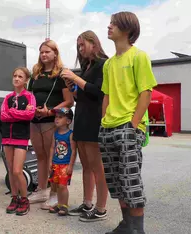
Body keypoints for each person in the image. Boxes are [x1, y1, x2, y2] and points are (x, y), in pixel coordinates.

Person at [99, 11, 157, 234]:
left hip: (128, 127)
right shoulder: (109, 64)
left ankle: (137, 230)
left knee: (130, 181)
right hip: (109, 127)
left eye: (113, 24)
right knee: (116, 181)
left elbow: (146, 93)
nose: (109, 26)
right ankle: (126, 225)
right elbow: (107, 95)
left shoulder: (139, 57)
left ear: (127, 29)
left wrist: (133, 125)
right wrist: (104, 122)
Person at [61, 30, 109, 222]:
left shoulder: (103, 64)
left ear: (94, 44)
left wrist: (76, 78)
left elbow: (98, 92)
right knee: (87, 166)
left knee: (97, 167)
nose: (80, 49)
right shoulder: (87, 66)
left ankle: (101, 208)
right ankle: (87, 203)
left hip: (94, 119)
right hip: (81, 117)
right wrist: (72, 86)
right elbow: (80, 96)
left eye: (83, 45)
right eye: (78, 46)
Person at [27, 40, 73, 209]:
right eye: (41, 52)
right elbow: (30, 95)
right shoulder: (36, 73)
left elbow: (69, 101)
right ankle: (41, 189)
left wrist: (52, 110)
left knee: (52, 157)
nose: (44, 55)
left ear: (55, 53)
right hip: (35, 120)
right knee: (40, 156)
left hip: (51, 120)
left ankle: (54, 194)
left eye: (47, 52)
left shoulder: (61, 74)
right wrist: (30, 107)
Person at [0, 67, 36, 216]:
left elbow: (30, 115)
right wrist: (19, 113)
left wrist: (12, 112)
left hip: (20, 137)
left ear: (26, 80)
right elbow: (2, 115)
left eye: (20, 76)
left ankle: (24, 199)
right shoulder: (7, 97)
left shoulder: (29, 97)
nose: (16, 79)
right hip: (6, 137)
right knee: (11, 171)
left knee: (17, 170)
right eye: (15, 76)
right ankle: (14, 198)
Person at [47, 107, 77, 216]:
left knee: (63, 186)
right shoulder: (55, 133)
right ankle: (59, 204)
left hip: (65, 164)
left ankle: (64, 205)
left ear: (68, 121)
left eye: (60, 117)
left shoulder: (70, 134)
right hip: (55, 163)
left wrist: (71, 165)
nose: (57, 119)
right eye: (56, 117)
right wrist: (50, 162)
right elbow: (52, 148)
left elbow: (74, 151)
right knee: (55, 184)